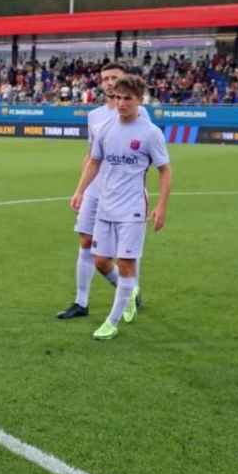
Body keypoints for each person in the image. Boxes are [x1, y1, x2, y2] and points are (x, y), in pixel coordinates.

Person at [72, 75, 171, 340]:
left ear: (140, 99)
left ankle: (111, 322)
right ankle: (129, 291)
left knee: (126, 263)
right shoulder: (105, 128)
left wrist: (161, 206)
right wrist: (80, 191)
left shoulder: (150, 133)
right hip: (106, 205)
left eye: (128, 98)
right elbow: (94, 162)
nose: (122, 103)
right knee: (102, 261)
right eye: (117, 97)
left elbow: (165, 170)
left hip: (133, 208)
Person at [58, 63, 149, 320]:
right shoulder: (95, 116)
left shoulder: (139, 114)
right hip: (96, 190)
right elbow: (91, 155)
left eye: (114, 78)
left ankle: (130, 288)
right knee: (85, 242)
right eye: (105, 79)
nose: (109, 83)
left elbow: (146, 154)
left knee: (125, 251)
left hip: (124, 193)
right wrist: (81, 189)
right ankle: (81, 301)